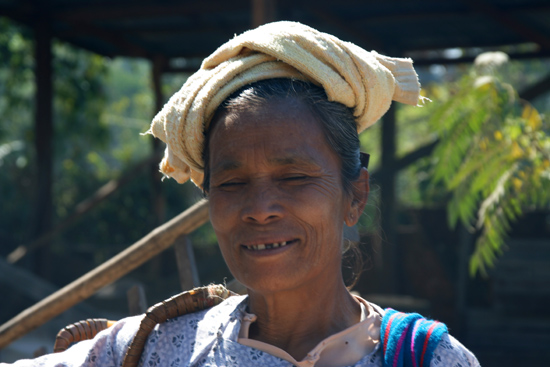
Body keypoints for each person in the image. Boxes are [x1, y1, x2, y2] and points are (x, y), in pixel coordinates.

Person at [2, 21, 480, 367]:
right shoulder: (154, 348)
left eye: (293, 177)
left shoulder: (426, 358)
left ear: (355, 195)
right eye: (231, 184)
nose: (260, 209)